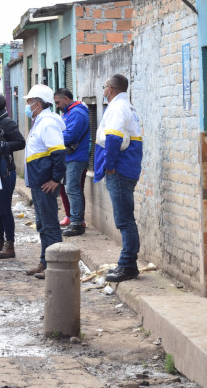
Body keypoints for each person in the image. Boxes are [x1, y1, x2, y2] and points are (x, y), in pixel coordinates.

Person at [95, 74, 143, 283]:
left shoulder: (117, 107)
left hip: (120, 170)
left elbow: (113, 138)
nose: (104, 90)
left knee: (124, 220)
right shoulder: (127, 106)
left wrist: (110, 166)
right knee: (125, 219)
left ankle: (128, 265)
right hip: (126, 168)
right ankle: (126, 262)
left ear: (111, 88)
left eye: (105, 87)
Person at [22, 85, 67, 280]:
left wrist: (55, 179)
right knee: (42, 224)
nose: (27, 105)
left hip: (45, 183)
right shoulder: (39, 121)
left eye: (29, 102)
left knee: (50, 225)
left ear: (37, 103)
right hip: (38, 182)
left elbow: (58, 153)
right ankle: (45, 261)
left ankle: (55, 267)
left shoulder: (47, 123)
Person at [0, 93, 25, 259]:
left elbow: (20, 142)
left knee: (4, 209)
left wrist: (1, 146)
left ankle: (10, 245)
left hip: (6, 172)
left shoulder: (6, 122)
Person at [54, 88, 90, 237]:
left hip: (76, 158)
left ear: (66, 99)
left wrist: (53, 136)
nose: (56, 105)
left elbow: (69, 136)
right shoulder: (68, 112)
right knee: (73, 190)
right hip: (70, 157)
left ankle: (76, 224)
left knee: (72, 189)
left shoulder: (77, 113)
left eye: (58, 102)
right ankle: (77, 220)